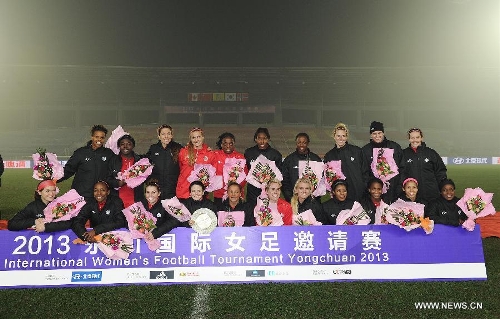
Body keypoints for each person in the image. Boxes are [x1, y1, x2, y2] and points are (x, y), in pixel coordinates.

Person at [58, 125, 115, 199]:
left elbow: (114, 170)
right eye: (97, 137)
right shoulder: (80, 152)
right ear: (92, 137)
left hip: (99, 196)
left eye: (102, 138)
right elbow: (68, 170)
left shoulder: (108, 153)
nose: (99, 140)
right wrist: (54, 179)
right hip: (81, 195)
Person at [323, 123, 370, 202]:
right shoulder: (329, 155)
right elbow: (328, 177)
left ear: (347, 137)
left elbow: (365, 171)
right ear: (334, 136)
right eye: (338, 136)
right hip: (340, 196)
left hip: (358, 194)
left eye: (343, 136)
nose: (341, 138)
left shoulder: (357, 151)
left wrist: (363, 187)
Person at [362, 121, 404, 204]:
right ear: (371, 135)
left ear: (383, 133)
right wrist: (371, 188)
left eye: (379, 133)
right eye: (374, 133)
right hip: (376, 193)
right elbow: (364, 172)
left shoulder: (395, 147)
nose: (377, 136)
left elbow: (402, 167)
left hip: (394, 190)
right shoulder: (365, 150)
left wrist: (399, 186)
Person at [401, 127, 447, 203]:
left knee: (431, 214)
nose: (415, 140)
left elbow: (440, 171)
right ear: (409, 139)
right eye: (412, 138)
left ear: (422, 138)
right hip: (412, 196)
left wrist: (441, 188)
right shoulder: (403, 154)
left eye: (417, 137)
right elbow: (401, 173)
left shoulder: (431, 153)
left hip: (431, 195)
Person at [8, 180, 72, 232]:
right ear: (39, 192)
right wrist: (34, 221)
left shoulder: (61, 205)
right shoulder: (33, 206)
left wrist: (46, 227)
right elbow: (12, 224)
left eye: (53, 190)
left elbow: (69, 223)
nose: (51, 194)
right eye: (47, 191)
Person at [244, 127, 282, 204]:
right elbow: (247, 169)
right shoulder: (249, 153)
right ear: (255, 139)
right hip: (253, 191)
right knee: (252, 212)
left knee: (268, 213)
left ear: (268, 139)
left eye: (264, 138)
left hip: (269, 191)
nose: (262, 141)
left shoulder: (276, 155)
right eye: (259, 138)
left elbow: (278, 174)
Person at [176, 128, 216, 199]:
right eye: (193, 137)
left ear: (203, 137)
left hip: (199, 193)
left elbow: (211, 174)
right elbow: (180, 167)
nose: (196, 139)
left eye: (198, 137)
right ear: (190, 139)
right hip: (183, 191)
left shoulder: (210, 154)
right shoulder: (183, 152)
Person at [281, 133, 322, 202]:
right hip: (294, 200)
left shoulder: (316, 159)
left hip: (312, 201)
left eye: (304, 142)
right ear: (296, 143)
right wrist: (291, 198)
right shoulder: (289, 160)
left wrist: (314, 197)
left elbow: (320, 181)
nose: (301, 145)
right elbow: (285, 181)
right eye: (299, 142)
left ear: (308, 143)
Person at [146, 124, 182, 200]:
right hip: (157, 190)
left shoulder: (178, 148)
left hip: (173, 190)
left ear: (172, 135)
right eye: (163, 134)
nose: (166, 136)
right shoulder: (154, 148)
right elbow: (145, 164)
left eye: (168, 134)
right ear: (159, 136)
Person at [107, 134, 144, 207]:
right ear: (119, 147)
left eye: (128, 144)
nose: (125, 146)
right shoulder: (113, 160)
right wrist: (118, 183)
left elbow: (145, 178)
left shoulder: (139, 161)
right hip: (117, 202)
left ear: (133, 146)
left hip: (135, 202)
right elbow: (107, 179)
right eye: (122, 144)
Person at [213, 132, 247, 207]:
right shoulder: (215, 155)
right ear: (221, 145)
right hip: (219, 195)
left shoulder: (240, 157)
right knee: (221, 217)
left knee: (237, 217)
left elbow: (244, 177)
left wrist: (235, 188)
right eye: (225, 144)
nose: (228, 146)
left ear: (234, 144)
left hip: (236, 195)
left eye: (231, 143)